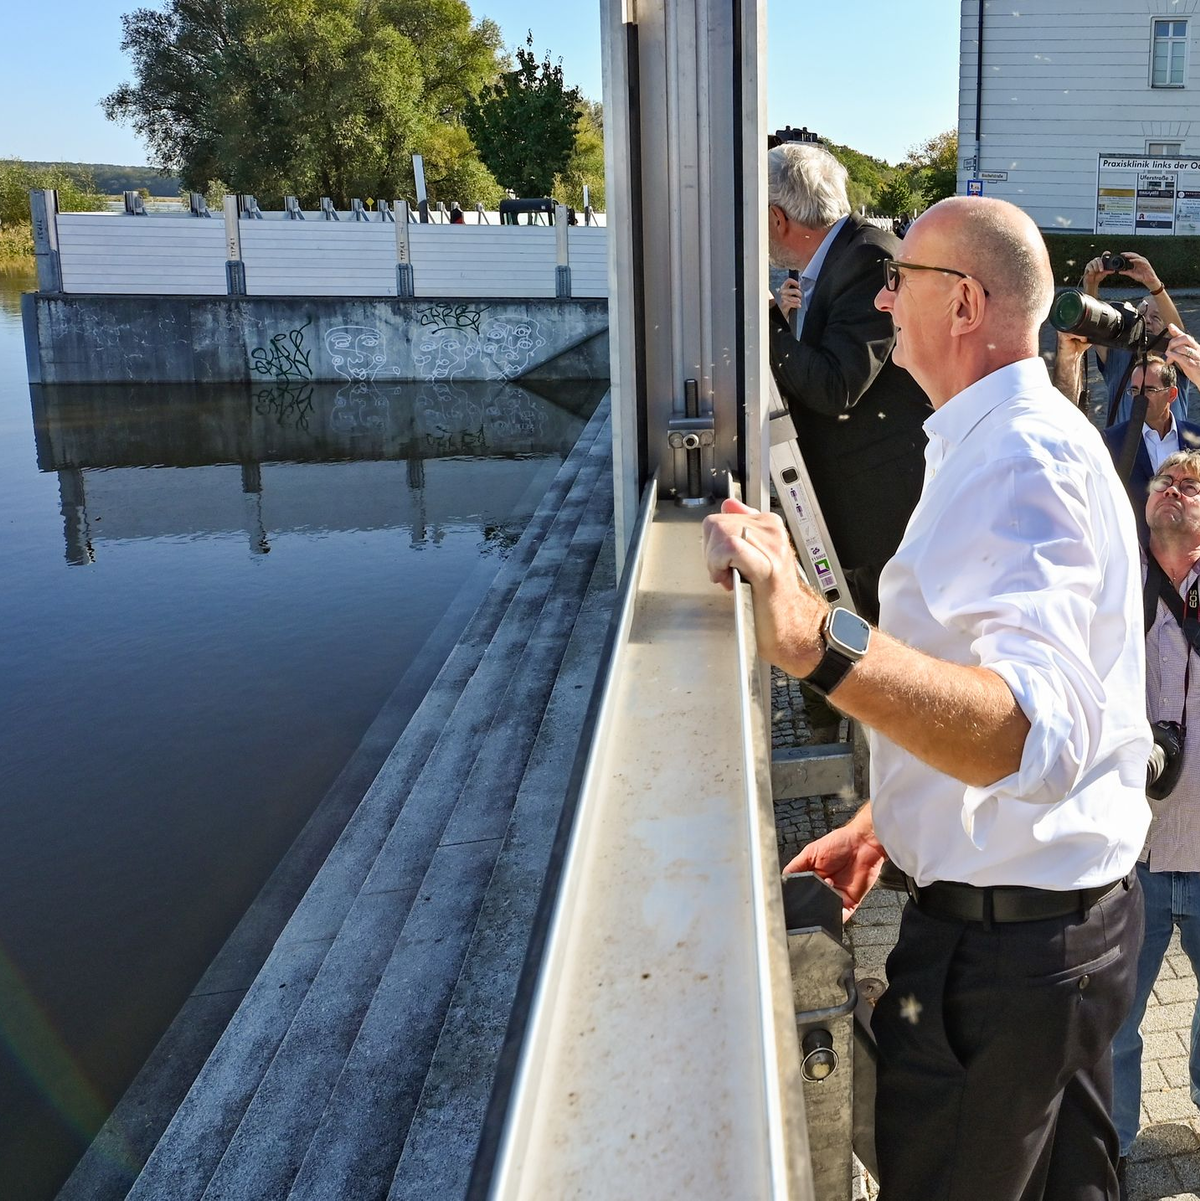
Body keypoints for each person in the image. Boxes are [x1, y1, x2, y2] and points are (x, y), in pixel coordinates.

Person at [704, 196, 1151, 1200]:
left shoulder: (1017, 459)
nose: (885, 295)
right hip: (1055, 941)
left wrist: (821, 644)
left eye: (901, 276)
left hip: (1009, 961)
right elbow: (993, 678)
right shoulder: (1000, 438)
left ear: (965, 305)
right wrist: (892, 815)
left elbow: (1031, 732)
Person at [766, 142, 929, 625]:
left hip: (878, 506)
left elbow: (837, 387)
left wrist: (767, 323)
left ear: (778, 218)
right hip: (864, 497)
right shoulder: (846, 253)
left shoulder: (867, 258)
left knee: (886, 654)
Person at [1109, 447, 1200, 1200]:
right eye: (1164, 480)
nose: (1171, 487)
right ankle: (1107, 1140)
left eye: (1191, 483)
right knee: (1112, 1015)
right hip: (1128, 857)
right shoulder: (1115, 594)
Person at [1078, 251, 1189, 426]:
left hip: (1172, 453)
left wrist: (1153, 284)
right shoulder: (1119, 356)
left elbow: (1180, 335)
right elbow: (1093, 329)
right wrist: (1091, 285)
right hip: (1122, 452)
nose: (1147, 321)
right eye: (1142, 314)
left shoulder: (1173, 361)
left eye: (1156, 317)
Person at [1101, 357, 1200, 538]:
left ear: (1172, 394)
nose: (1140, 398)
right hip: (1139, 552)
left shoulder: (1196, 439)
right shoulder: (1111, 441)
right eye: (1135, 390)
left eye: (1149, 390)